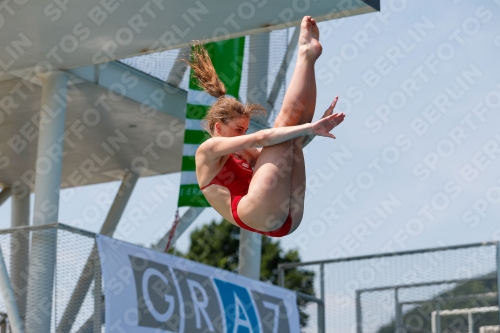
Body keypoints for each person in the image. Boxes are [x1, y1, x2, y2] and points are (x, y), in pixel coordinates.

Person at [190, 16, 345, 237]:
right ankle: (304, 54)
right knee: (284, 126)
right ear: (219, 127)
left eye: (244, 130)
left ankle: (309, 60)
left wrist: (315, 128)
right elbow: (262, 138)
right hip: (259, 213)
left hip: (285, 217)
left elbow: (280, 158)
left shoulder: (239, 151)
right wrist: (312, 128)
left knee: (293, 141)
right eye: (238, 130)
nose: (243, 135)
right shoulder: (207, 150)